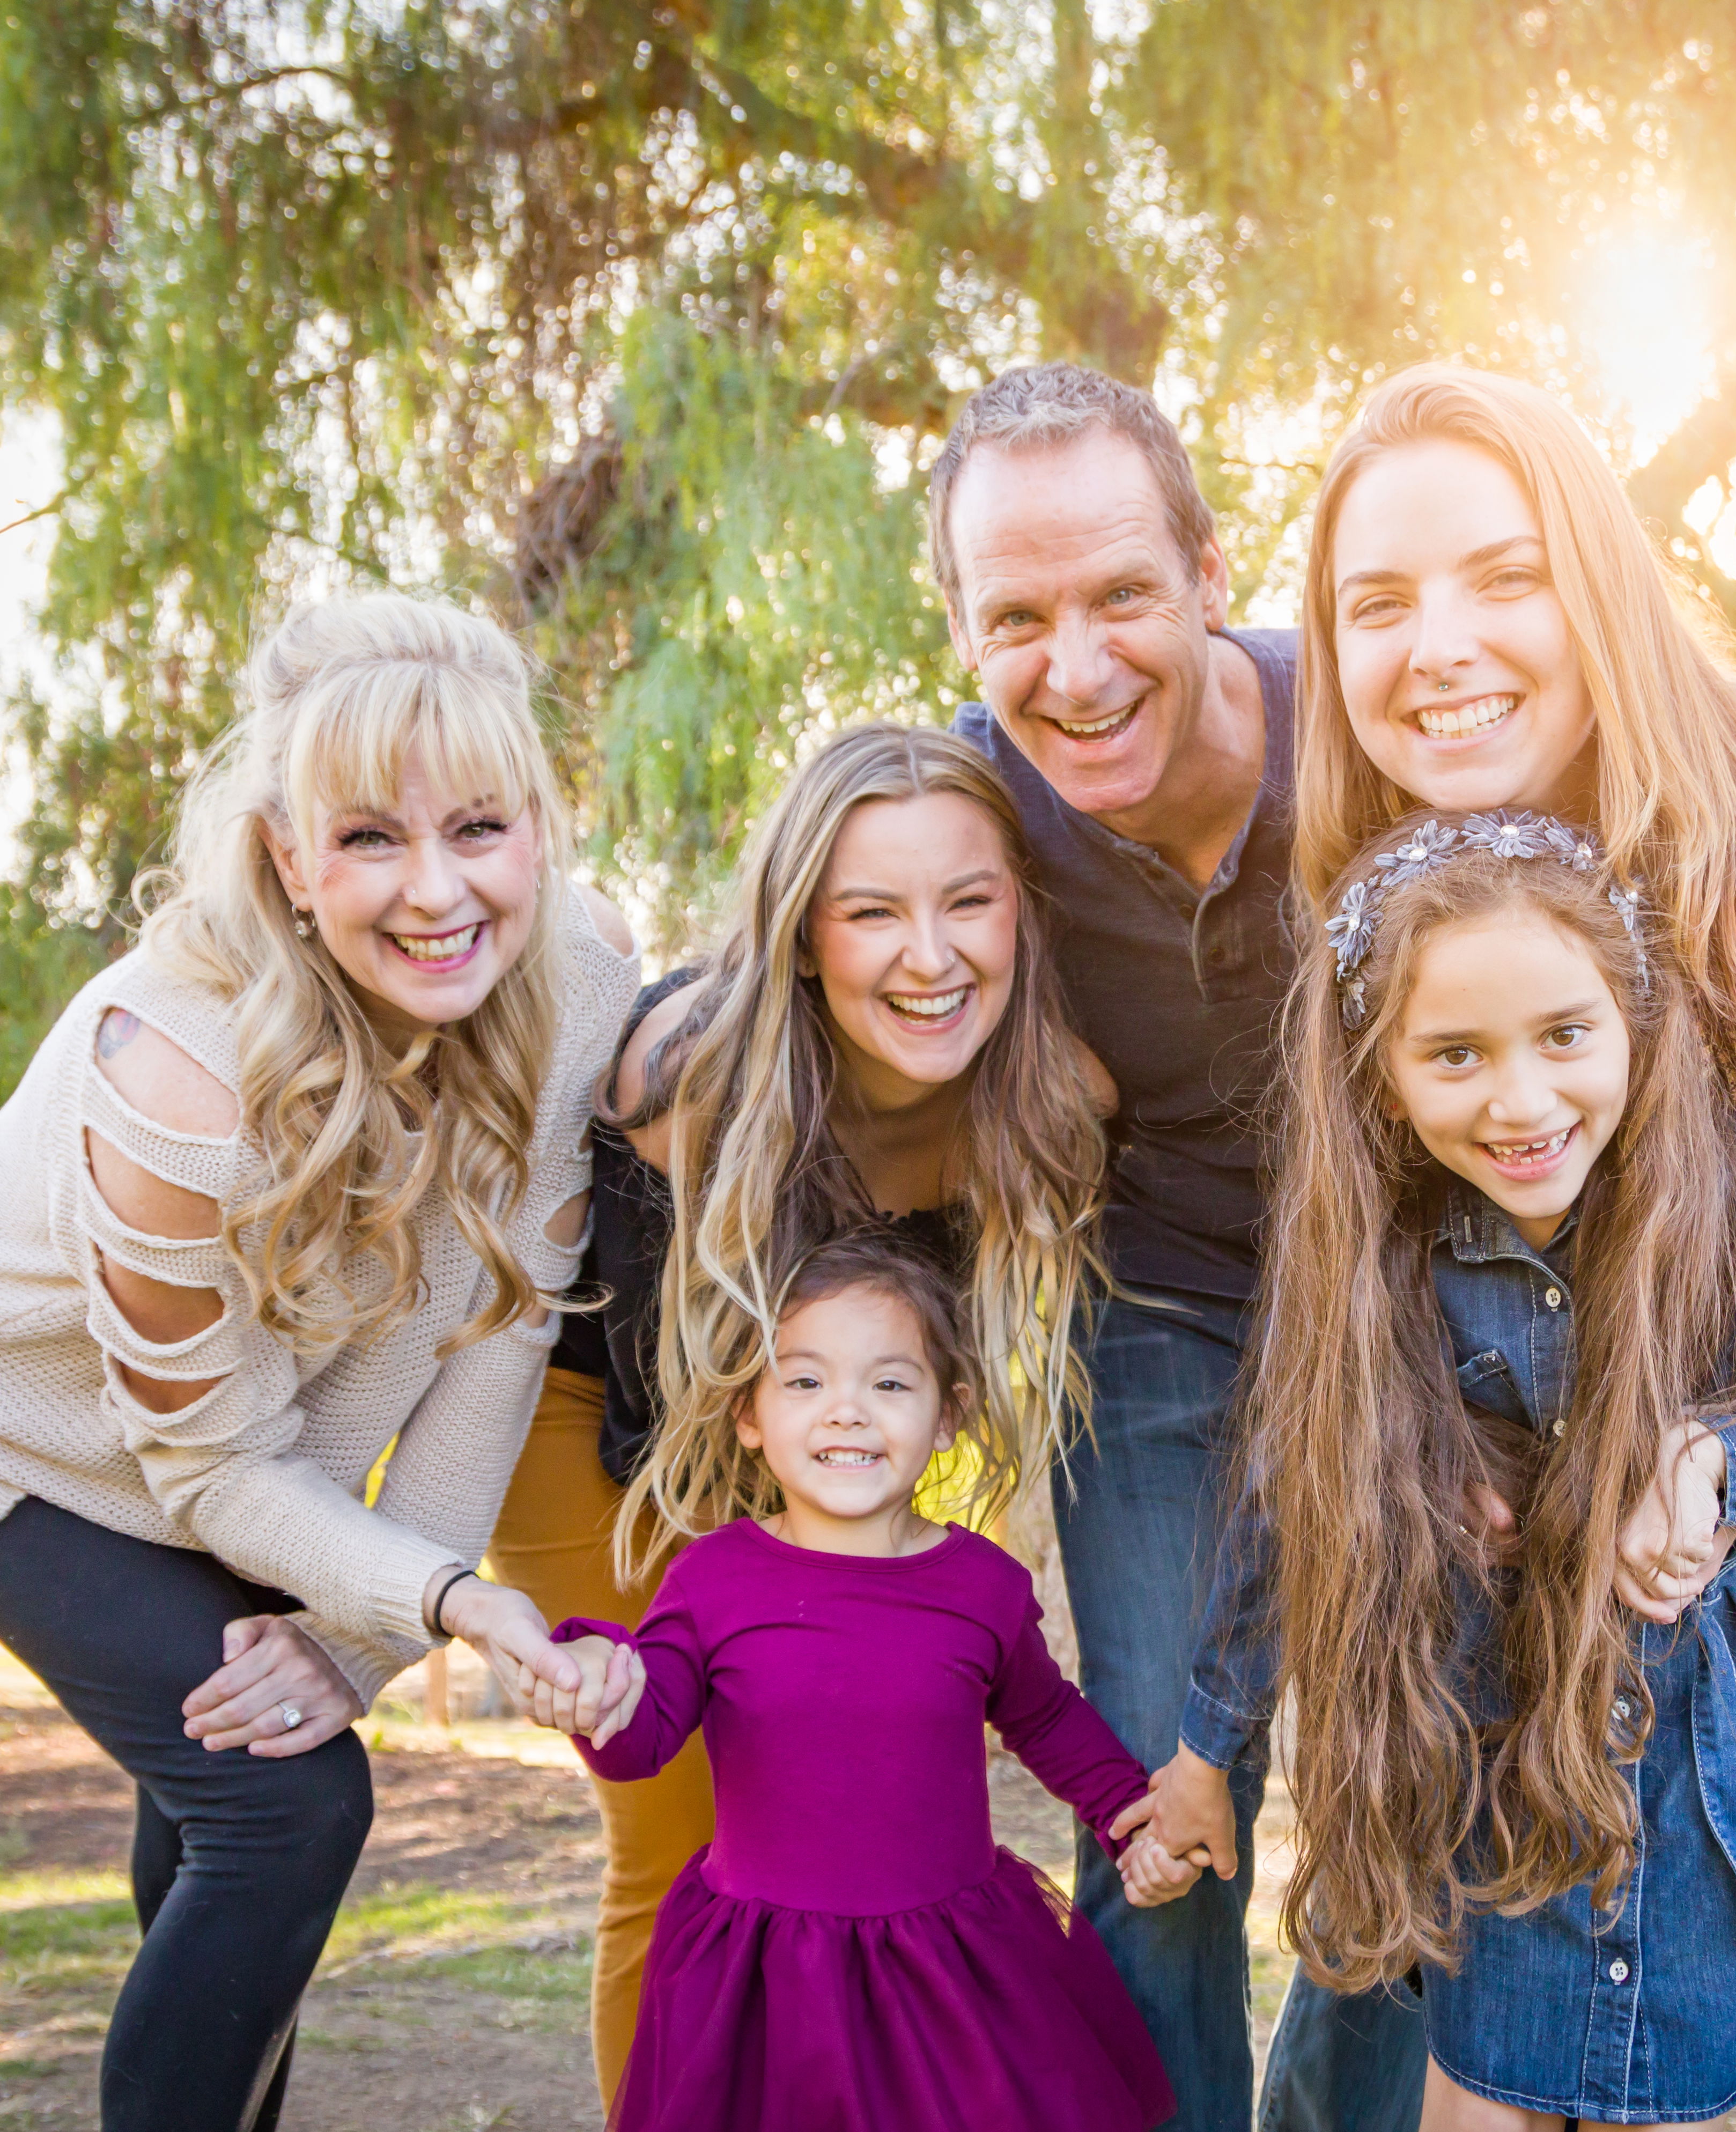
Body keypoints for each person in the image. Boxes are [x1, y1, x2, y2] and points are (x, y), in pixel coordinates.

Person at [1161, 362, 1736, 2128]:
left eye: (1504, 575)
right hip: (1554, 1407)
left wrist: (1732, 1457)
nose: (1439, 643)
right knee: (1482, 1786)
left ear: (1601, 576)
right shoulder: (1377, 899)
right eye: (1378, 602)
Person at [0, 592, 641, 2132]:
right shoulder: (172, 1075)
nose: (440, 892)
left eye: (480, 827)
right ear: (284, 860)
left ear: (542, 823)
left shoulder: (579, 977)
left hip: (236, 1450)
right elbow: (212, 1468)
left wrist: (370, 1634)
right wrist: (446, 1606)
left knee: (237, 1768)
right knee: (284, 1801)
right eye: (369, 841)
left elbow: (503, 1325)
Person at [1137, 812, 1736, 2129]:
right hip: (1492, 1796)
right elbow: (1283, 1504)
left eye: (1565, 1035)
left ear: (1635, 1018)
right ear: (1383, 1070)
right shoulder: (1379, 1256)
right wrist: (1203, 1749)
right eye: (1455, 1054)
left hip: (1700, 1802)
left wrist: (1721, 1459)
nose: (1521, 1102)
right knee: (1477, 2108)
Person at [483, 721, 1110, 2104]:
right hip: (591, 1415)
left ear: (1025, 909)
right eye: (872, 909)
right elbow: (608, 1356)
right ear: (804, 931)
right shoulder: (691, 1075)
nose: (930, 956)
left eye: (969, 900)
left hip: (790, 1437)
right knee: (683, 1837)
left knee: (838, 1851)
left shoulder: (1048, 1098)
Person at [928, 360, 1318, 2129]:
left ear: (1210, 570)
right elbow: (805, 962)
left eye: (1116, 597)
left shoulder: (1375, 718)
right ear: (959, 625)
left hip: (1417, 1321)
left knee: (1413, 1805)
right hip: (1157, 1314)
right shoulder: (973, 817)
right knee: (1167, 1803)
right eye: (1016, 617)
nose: (1072, 671)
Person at [525, 1235, 1199, 2132]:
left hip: (948, 1972)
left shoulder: (982, 1585)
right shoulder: (712, 1579)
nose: (847, 1412)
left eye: (888, 1384)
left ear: (948, 1414)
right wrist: (595, 1675)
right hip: (766, 1982)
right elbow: (642, 1743)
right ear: (750, 1416)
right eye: (805, 1383)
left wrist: (1132, 1821)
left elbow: (1047, 1721)